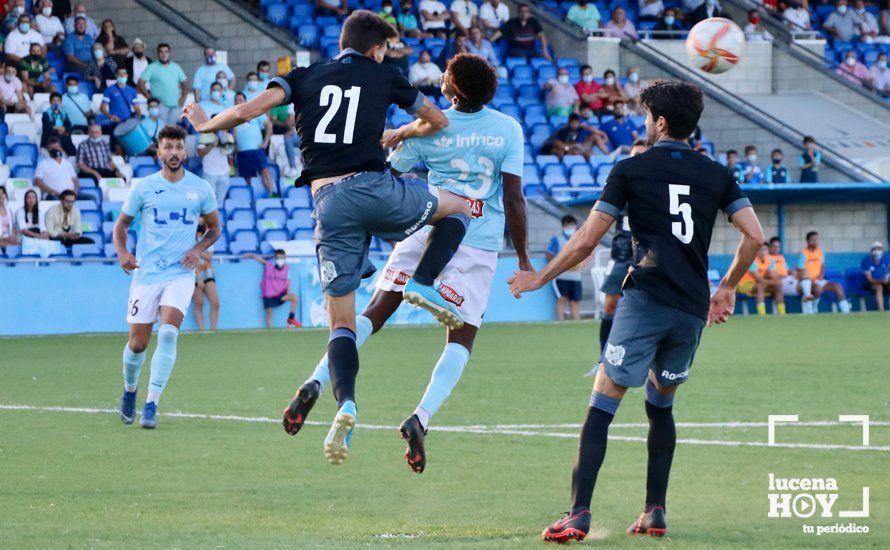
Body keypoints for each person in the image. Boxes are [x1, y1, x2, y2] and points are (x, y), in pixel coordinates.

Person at [183, 10, 474, 465]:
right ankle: (420, 283)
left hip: (329, 204)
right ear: (376, 49)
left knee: (342, 324)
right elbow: (437, 119)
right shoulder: (385, 75)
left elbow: (246, 112)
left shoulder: (302, 76)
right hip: (377, 189)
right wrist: (401, 130)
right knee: (459, 208)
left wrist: (203, 124)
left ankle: (347, 405)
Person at [509, 80, 763, 543]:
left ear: (660, 122)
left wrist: (539, 278)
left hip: (645, 301)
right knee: (660, 406)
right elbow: (755, 235)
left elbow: (587, 240)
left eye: (647, 116)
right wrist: (727, 287)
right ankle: (654, 512)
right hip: (690, 311)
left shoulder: (631, 169)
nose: (645, 122)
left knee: (602, 407)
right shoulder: (717, 174)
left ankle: (578, 514)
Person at [291, 53, 530, 474]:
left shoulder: (428, 127)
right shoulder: (507, 129)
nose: (440, 77)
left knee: (373, 313)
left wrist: (396, 138)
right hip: (477, 242)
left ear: (453, 88)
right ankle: (420, 417)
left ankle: (317, 380)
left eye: (447, 75)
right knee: (462, 337)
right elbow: (513, 198)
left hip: (424, 225)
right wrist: (525, 258)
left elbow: (384, 177)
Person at [113, 125, 220, 430]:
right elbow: (121, 225)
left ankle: (151, 403)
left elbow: (214, 228)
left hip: (180, 274)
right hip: (146, 274)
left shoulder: (200, 188)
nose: (174, 153)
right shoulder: (144, 187)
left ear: (185, 151)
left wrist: (198, 249)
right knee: (137, 345)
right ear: (158, 151)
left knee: (169, 332)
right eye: (168, 147)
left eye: (178, 147)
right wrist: (123, 253)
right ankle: (130, 391)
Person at [597, 139, 647, 356]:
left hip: (649, 257)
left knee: (648, 309)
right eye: (635, 154)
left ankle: (641, 357)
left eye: (643, 155)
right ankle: (602, 359)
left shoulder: (657, 188)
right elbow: (600, 218)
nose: (638, 159)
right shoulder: (620, 183)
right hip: (621, 254)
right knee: (610, 306)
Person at [232, 92, 276, 196]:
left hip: (257, 149)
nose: (238, 102)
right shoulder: (232, 117)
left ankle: (272, 194)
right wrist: (235, 145)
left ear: (245, 101)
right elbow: (232, 133)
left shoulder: (255, 113)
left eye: (241, 99)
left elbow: (269, 126)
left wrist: (265, 142)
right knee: (246, 177)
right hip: (242, 152)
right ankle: (250, 198)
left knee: (265, 171)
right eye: (236, 100)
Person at [796, 230, 851, 314]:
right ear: (807, 241)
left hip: (819, 280)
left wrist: (821, 274)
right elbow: (800, 270)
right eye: (812, 240)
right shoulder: (803, 254)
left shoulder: (820, 251)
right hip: (808, 282)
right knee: (818, 289)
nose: (815, 242)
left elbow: (822, 265)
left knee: (837, 286)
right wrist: (808, 279)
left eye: (816, 239)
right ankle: (813, 308)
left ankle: (846, 310)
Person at [245, 250, 302, 328]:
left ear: (285, 258)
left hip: (280, 294)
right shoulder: (269, 265)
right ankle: (270, 330)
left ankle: (291, 318)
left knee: (294, 298)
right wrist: (251, 255)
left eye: (282, 257)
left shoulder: (287, 269)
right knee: (269, 313)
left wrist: (288, 292)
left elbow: (288, 281)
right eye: (278, 257)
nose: (280, 259)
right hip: (269, 295)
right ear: (275, 258)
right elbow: (261, 260)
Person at [137, 43, 188, 125]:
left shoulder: (176, 67)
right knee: (161, 129)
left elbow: (185, 83)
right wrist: (150, 99)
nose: (163, 54)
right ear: (157, 53)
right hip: (160, 106)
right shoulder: (152, 67)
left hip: (176, 105)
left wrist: (183, 98)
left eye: (166, 52)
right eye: (161, 52)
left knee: (171, 131)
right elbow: (140, 83)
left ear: (169, 53)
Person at [547, 215, 585, 321]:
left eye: (572, 224)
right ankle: (561, 322)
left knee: (575, 301)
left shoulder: (579, 238)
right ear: (563, 225)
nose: (571, 227)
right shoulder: (557, 239)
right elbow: (549, 254)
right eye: (568, 224)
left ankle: (576, 322)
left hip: (576, 276)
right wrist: (556, 265)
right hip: (561, 276)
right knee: (561, 299)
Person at [737, 242, 785, 315]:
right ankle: (762, 314)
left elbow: (774, 275)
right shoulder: (752, 260)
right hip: (744, 285)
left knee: (777, 287)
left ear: (768, 250)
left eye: (765, 249)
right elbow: (758, 279)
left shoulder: (771, 260)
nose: (763, 252)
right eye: (760, 250)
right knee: (760, 286)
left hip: (760, 284)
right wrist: (773, 282)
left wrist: (777, 281)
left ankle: (782, 313)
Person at [192, 218, 221, 331]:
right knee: (199, 303)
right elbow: (191, 257)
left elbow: (209, 257)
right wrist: (198, 276)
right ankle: (201, 330)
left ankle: (213, 330)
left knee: (215, 303)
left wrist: (197, 250)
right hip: (194, 272)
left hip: (207, 271)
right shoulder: (188, 239)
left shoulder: (206, 238)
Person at [197, 130, 233, 206]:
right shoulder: (204, 135)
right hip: (209, 172)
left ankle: (219, 217)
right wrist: (212, 145)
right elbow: (200, 153)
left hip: (224, 172)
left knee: (220, 201)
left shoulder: (226, 134)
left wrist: (225, 140)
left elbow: (231, 150)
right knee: (209, 201)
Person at [101, 66, 139, 131]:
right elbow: (102, 108)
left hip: (128, 122)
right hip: (115, 123)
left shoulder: (132, 90)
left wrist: (138, 119)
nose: (122, 75)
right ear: (116, 75)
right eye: (119, 73)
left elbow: (137, 108)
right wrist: (112, 117)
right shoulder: (109, 90)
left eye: (124, 73)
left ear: (127, 75)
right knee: (115, 141)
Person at [768, 235, 801, 301]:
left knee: (805, 281)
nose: (776, 248)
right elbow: (768, 273)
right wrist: (783, 276)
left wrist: (793, 272)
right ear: (769, 247)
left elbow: (787, 269)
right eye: (774, 246)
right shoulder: (767, 258)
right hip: (779, 281)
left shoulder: (780, 257)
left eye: (778, 246)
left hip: (787, 279)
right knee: (804, 287)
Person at [861, 241, 889, 311]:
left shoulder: (886, 259)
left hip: (885, 282)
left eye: (879, 249)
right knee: (879, 287)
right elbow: (869, 279)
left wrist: (887, 280)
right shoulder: (866, 261)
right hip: (871, 284)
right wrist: (882, 281)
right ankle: (881, 310)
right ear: (871, 251)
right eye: (874, 249)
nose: (877, 251)